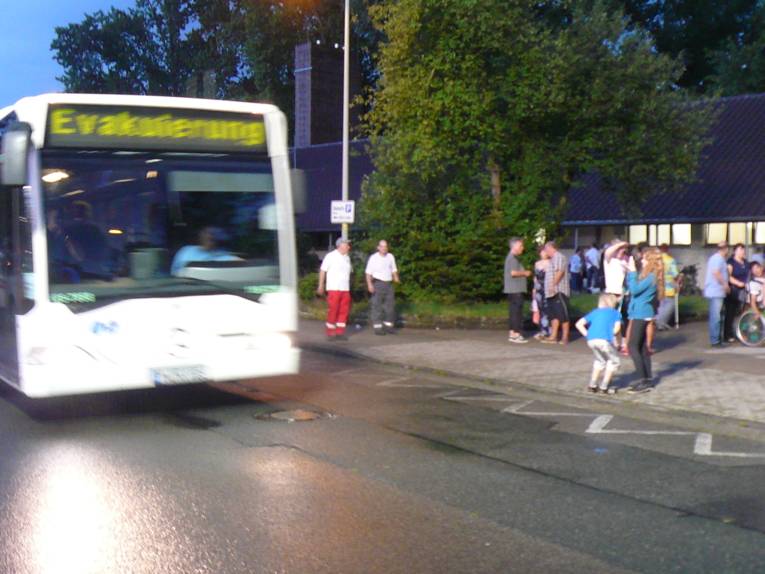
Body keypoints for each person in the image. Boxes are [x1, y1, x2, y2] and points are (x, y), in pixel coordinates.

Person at [625, 247, 664, 394]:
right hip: (641, 311)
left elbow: (634, 289)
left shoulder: (651, 276)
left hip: (641, 313)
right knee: (641, 347)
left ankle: (643, 379)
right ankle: (647, 379)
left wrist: (632, 272)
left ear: (651, 260)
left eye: (645, 258)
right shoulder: (650, 275)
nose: (642, 260)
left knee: (632, 346)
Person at [575, 293, 622, 394]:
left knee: (600, 360)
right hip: (604, 340)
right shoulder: (615, 313)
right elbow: (617, 329)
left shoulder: (594, 312)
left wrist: (588, 335)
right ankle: (604, 386)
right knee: (613, 361)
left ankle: (592, 385)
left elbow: (578, 324)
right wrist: (617, 341)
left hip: (591, 340)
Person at [317, 237, 353, 340]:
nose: (348, 247)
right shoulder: (330, 256)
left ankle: (340, 332)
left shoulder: (347, 257)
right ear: (340, 245)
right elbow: (323, 270)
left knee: (344, 311)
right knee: (333, 310)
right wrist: (321, 285)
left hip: (345, 288)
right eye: (346, 244)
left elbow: (349, 273)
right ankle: (331, 332)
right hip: (334, 288)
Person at [171, 226, 239, 275]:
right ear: (200, 235)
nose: (209, 236)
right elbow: (174, 273)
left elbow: (244, 264)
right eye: (206, 233)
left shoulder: (223, 255)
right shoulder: (186, 251)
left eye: (213, 234)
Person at [366, 239, 400, 335]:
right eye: (382, 246)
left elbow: (393, 269)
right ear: (378, 248)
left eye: (386, 246)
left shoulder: (390, 257)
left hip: (388, 283)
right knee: (377, 306)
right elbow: (368, 273)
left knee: (390, 306)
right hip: (378, 283)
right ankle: (378, 327)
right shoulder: (373, 258)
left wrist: (396, 277)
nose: (384, 248)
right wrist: (369, 284)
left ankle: (388, 326)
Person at [540, 241, 570, 344]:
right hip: (550, 293)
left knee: (563, 315)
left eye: (546, 249)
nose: (545, 251)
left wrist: (553, 284)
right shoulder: (551, 260)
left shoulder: (558, 257)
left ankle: (565, 337)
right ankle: (553, 336)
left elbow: (560, 271)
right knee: (553, 315)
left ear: (551, 248)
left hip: (559, 290)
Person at [504, 237, 532, 343]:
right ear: (514, 246)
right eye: (520, 246)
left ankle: (513, 333)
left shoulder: (511, 258)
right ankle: (515, 333)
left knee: (513, 311)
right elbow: (513, 273)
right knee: (516, 312)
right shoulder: (512, 258)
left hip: (513, 289)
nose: (522, 248)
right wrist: (525, 273)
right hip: (515, 289)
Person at [703, 241, 730, 347]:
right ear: (726, 249)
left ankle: (718, 339)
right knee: (716, 317)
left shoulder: (720, 259)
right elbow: (716, 272)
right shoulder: (717, 258)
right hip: (715, 291)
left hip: (718, 291)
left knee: (719, 316)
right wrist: (725, 284)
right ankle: (715, 341)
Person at [724, 243, 748, 343]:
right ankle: (727, 334)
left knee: (742, 313)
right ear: (735, 251)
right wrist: (738, 283)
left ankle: (741, 333)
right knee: (730, 313)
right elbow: (728, 276)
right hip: (733, 290)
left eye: (743, 249)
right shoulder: (731, 262)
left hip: (744, 291)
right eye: (740, 249)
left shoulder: (745, 262)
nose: (742, 251)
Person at [655, 244, 681, 331]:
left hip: (657, 286)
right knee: (670, 305)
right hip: (669, 286)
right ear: (667, 250)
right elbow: (675, 274)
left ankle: (657, 321)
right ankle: (660, 323)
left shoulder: (656, 260)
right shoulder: (670, 260)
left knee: (661, 305)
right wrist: (680, 277)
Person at [532, 247, 551, 340]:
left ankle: (548, 330)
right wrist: (534, 289)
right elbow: (535, 277)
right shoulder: (537, 263)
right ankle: (542, 330)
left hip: (547, 288)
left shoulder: (551, 263)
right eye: (542, 252)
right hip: (539, 288)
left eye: (545, 251)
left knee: (547, 309)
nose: (544, 253)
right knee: (540, 309)